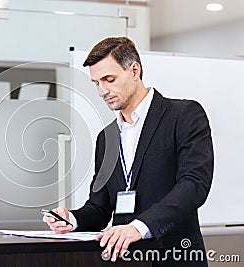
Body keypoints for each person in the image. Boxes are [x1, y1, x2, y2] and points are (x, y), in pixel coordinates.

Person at [43, 37, 213, 266]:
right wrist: (72, 219)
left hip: (174, 257)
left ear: (134, 70)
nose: (102, 91)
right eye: (96, 83)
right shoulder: (106, 138)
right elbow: (99, 207)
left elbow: (194, 185)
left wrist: (139, 228)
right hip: (123, 259)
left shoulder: (184, 115)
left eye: (109, 79)